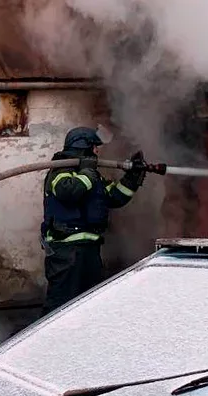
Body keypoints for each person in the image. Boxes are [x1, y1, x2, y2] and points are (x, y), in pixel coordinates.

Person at [42, 127, 145, 314]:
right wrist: (88, 172)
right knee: (60, 307)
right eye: (95, 147)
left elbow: (114, 197)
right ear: (84, 147)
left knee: (89, 305)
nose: (98, 152)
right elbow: (68, 192)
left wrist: (132, 177)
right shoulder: (60, 170)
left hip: (89, 249)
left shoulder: (92, 175)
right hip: (66, 250)